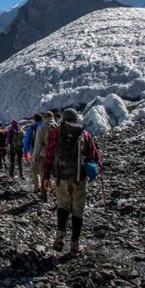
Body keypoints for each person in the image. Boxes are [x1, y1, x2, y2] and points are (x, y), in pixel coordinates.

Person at [41, 108, 102, 256]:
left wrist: (46, 176)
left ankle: (59, 237)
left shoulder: (55, 133)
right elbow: (94, 156)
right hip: (79, 178)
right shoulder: (84, 134)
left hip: (61, 177)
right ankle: (75, 244)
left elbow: (49, 155)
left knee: (62, 205)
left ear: (63, 119)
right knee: (77, 209)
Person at [33, 111, 59, 202]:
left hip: (45, 154)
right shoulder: (57, 126)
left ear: (45, 118)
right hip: (57, 155)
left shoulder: (41, 127)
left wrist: (35, 156)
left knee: (44, 174)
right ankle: (59, 196)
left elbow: (38, 144)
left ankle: (44, 195)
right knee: (57, 176)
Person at [23, 114, 43, 195]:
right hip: (45, 152)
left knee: (35, 170)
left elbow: (26, 141)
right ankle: (44, 187)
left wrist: (26, 152)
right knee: (43, 170)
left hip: (34, 151)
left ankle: (37, 187)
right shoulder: (46, 127)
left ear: (35, 120)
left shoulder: (32, 128)